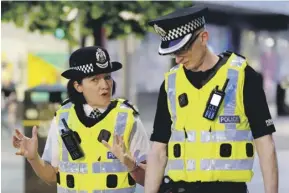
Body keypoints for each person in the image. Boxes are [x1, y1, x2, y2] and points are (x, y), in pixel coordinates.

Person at [144, 5, 278, 193]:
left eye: (183, 50)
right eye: (174, 53)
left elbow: (265, 144)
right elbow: (158, 150)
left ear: (203, 38)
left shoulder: (242, 77)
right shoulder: (171, 84)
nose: (178, 59)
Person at [12, 46, 150, 193]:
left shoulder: (127, 118)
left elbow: (151, 178)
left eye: (107, 77)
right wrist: (33, 158)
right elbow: (52, 175)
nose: (105, 85)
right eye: (95, 79)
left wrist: (130, 164)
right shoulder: (63, 118)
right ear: (78, 86)